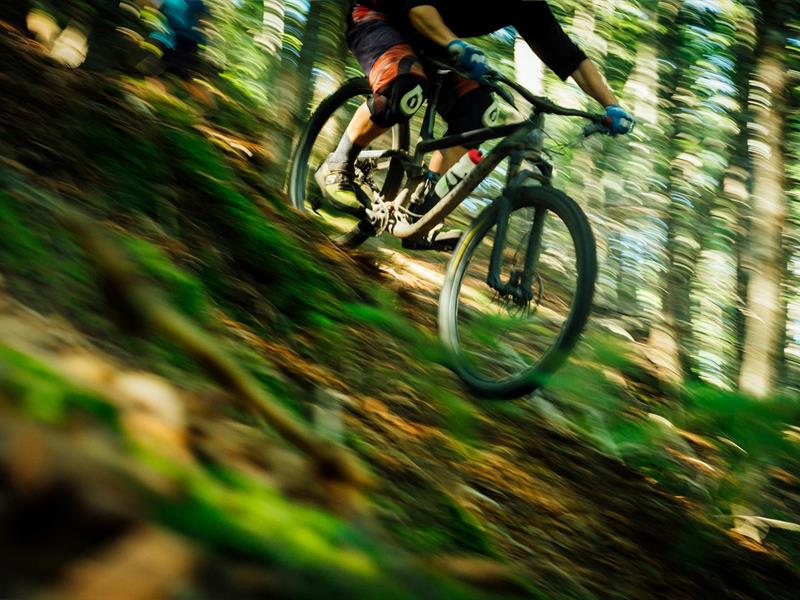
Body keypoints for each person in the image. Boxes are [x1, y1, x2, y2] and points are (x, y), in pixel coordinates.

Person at [316, 0, 634, 250]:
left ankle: (421, 210)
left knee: (479, 111)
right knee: (405, 91)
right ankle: (338, 163)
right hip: (381, 16)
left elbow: (570, 58)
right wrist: (455, 45)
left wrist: (612, 105)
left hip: (434, 39)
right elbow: (417, 7)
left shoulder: (527, 6)